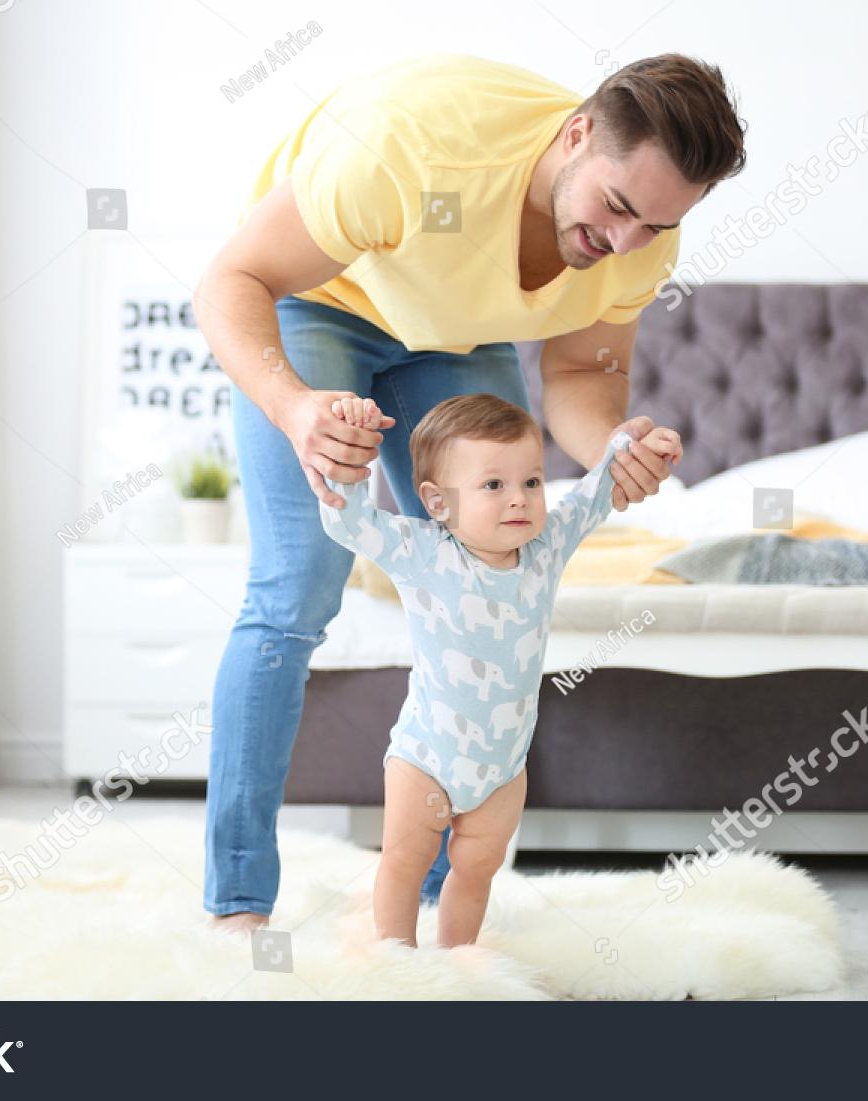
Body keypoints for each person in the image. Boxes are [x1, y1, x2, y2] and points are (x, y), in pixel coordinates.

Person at [194, 51, 746, 933]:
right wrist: (296, 409)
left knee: (490, 568)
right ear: (577, 136)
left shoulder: (646, 231)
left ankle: (437, 896)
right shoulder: (406, 152)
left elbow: (578, 372)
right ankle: (237, 899)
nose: (627, 244)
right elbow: (232, 278)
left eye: (656, 228)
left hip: (454, 334)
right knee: (298, 584)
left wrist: (613, 446)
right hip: (319, 298)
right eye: (617, 209)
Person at [320, 393, 681, 946]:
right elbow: (351, 522)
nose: (520, 499)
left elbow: (594, 495)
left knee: (477, 868)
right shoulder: (423, 553)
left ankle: (458, 958)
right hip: (428, 757)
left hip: (504, 767)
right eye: (494, 485)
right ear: (437, 503)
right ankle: (398, 963)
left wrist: (632, 448)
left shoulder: (547, 548)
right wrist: (351, 456)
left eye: (532, 482)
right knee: (404, 863)